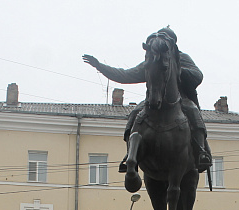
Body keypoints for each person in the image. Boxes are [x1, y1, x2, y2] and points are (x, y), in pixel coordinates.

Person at [83, 26, 213, 173]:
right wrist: (99, 66)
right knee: (135, 114)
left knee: (193, 110)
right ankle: (130, 155)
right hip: (153, 100)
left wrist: (176, 70)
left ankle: (201, 151)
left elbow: (197, 76)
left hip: (180, 100)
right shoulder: (152, 61)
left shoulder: (182, 58)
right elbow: (125, 75)